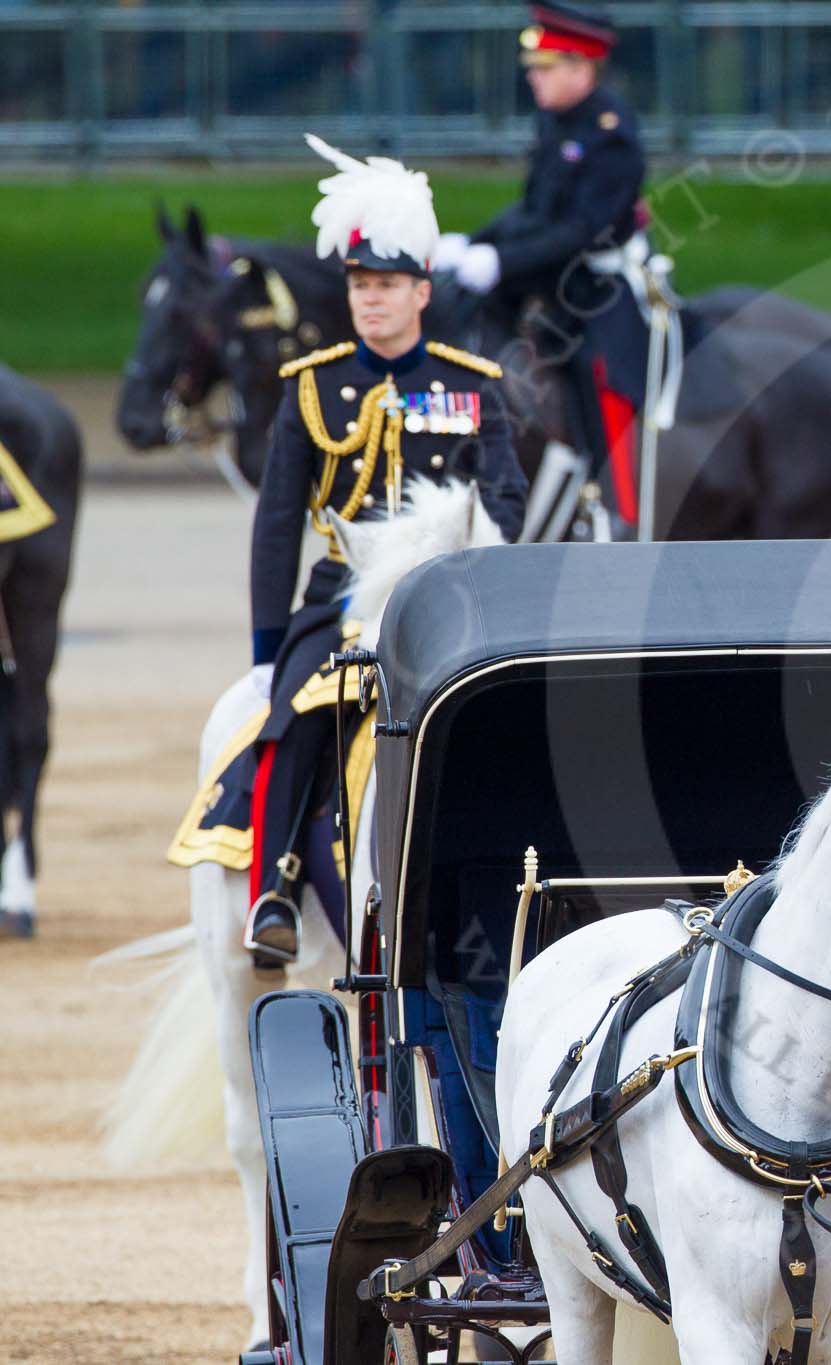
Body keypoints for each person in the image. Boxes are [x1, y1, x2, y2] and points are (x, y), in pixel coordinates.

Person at [241, 138, 528, 966]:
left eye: (389, 285)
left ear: (422, 292)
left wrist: (466, 535)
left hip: (443, 598)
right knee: (292, 719)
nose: (372, 300)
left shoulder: (473, 386)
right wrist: (268, 646)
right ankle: (275, 892)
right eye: (361, 286)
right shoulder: (311, 385)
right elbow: (276, 523)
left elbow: (505, 498)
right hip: (341, 599)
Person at [437, 3, 651, 530]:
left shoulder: (611, 133)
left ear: (582, 68)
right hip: (546, 269)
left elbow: (581, 231)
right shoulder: (555, 122)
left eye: (545, 67)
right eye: (533, 66)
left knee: (593, 368)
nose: (532, 76)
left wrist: (501, 261)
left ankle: (606, 500)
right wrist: (474, 245)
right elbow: (534, 210)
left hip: (595, 278)